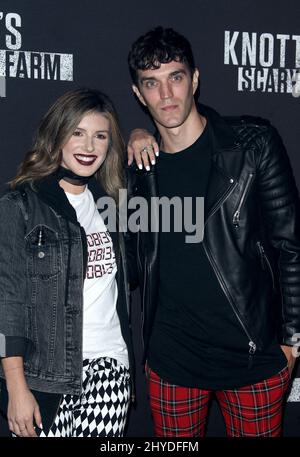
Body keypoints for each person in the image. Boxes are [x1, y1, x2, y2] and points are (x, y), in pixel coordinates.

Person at [126, 26, 300, 437]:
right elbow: (132, 266)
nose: (166, 96)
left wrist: (293, 341)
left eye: (176, 77)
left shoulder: (252, 145)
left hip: (253, 358)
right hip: (172, 363)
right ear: (138, 94)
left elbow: (291, 245)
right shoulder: (138, 171)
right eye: (152, 83)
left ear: (196, 79)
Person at [0, 88, 134, 437]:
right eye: (78, 133)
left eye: (100, 136)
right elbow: (6, 304)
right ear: (56, 135)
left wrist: (142, 134)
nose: (89, 146)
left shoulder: (114, 204)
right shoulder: (20, 206)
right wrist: (16, 387)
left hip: (109, 368)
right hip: (44, 376)